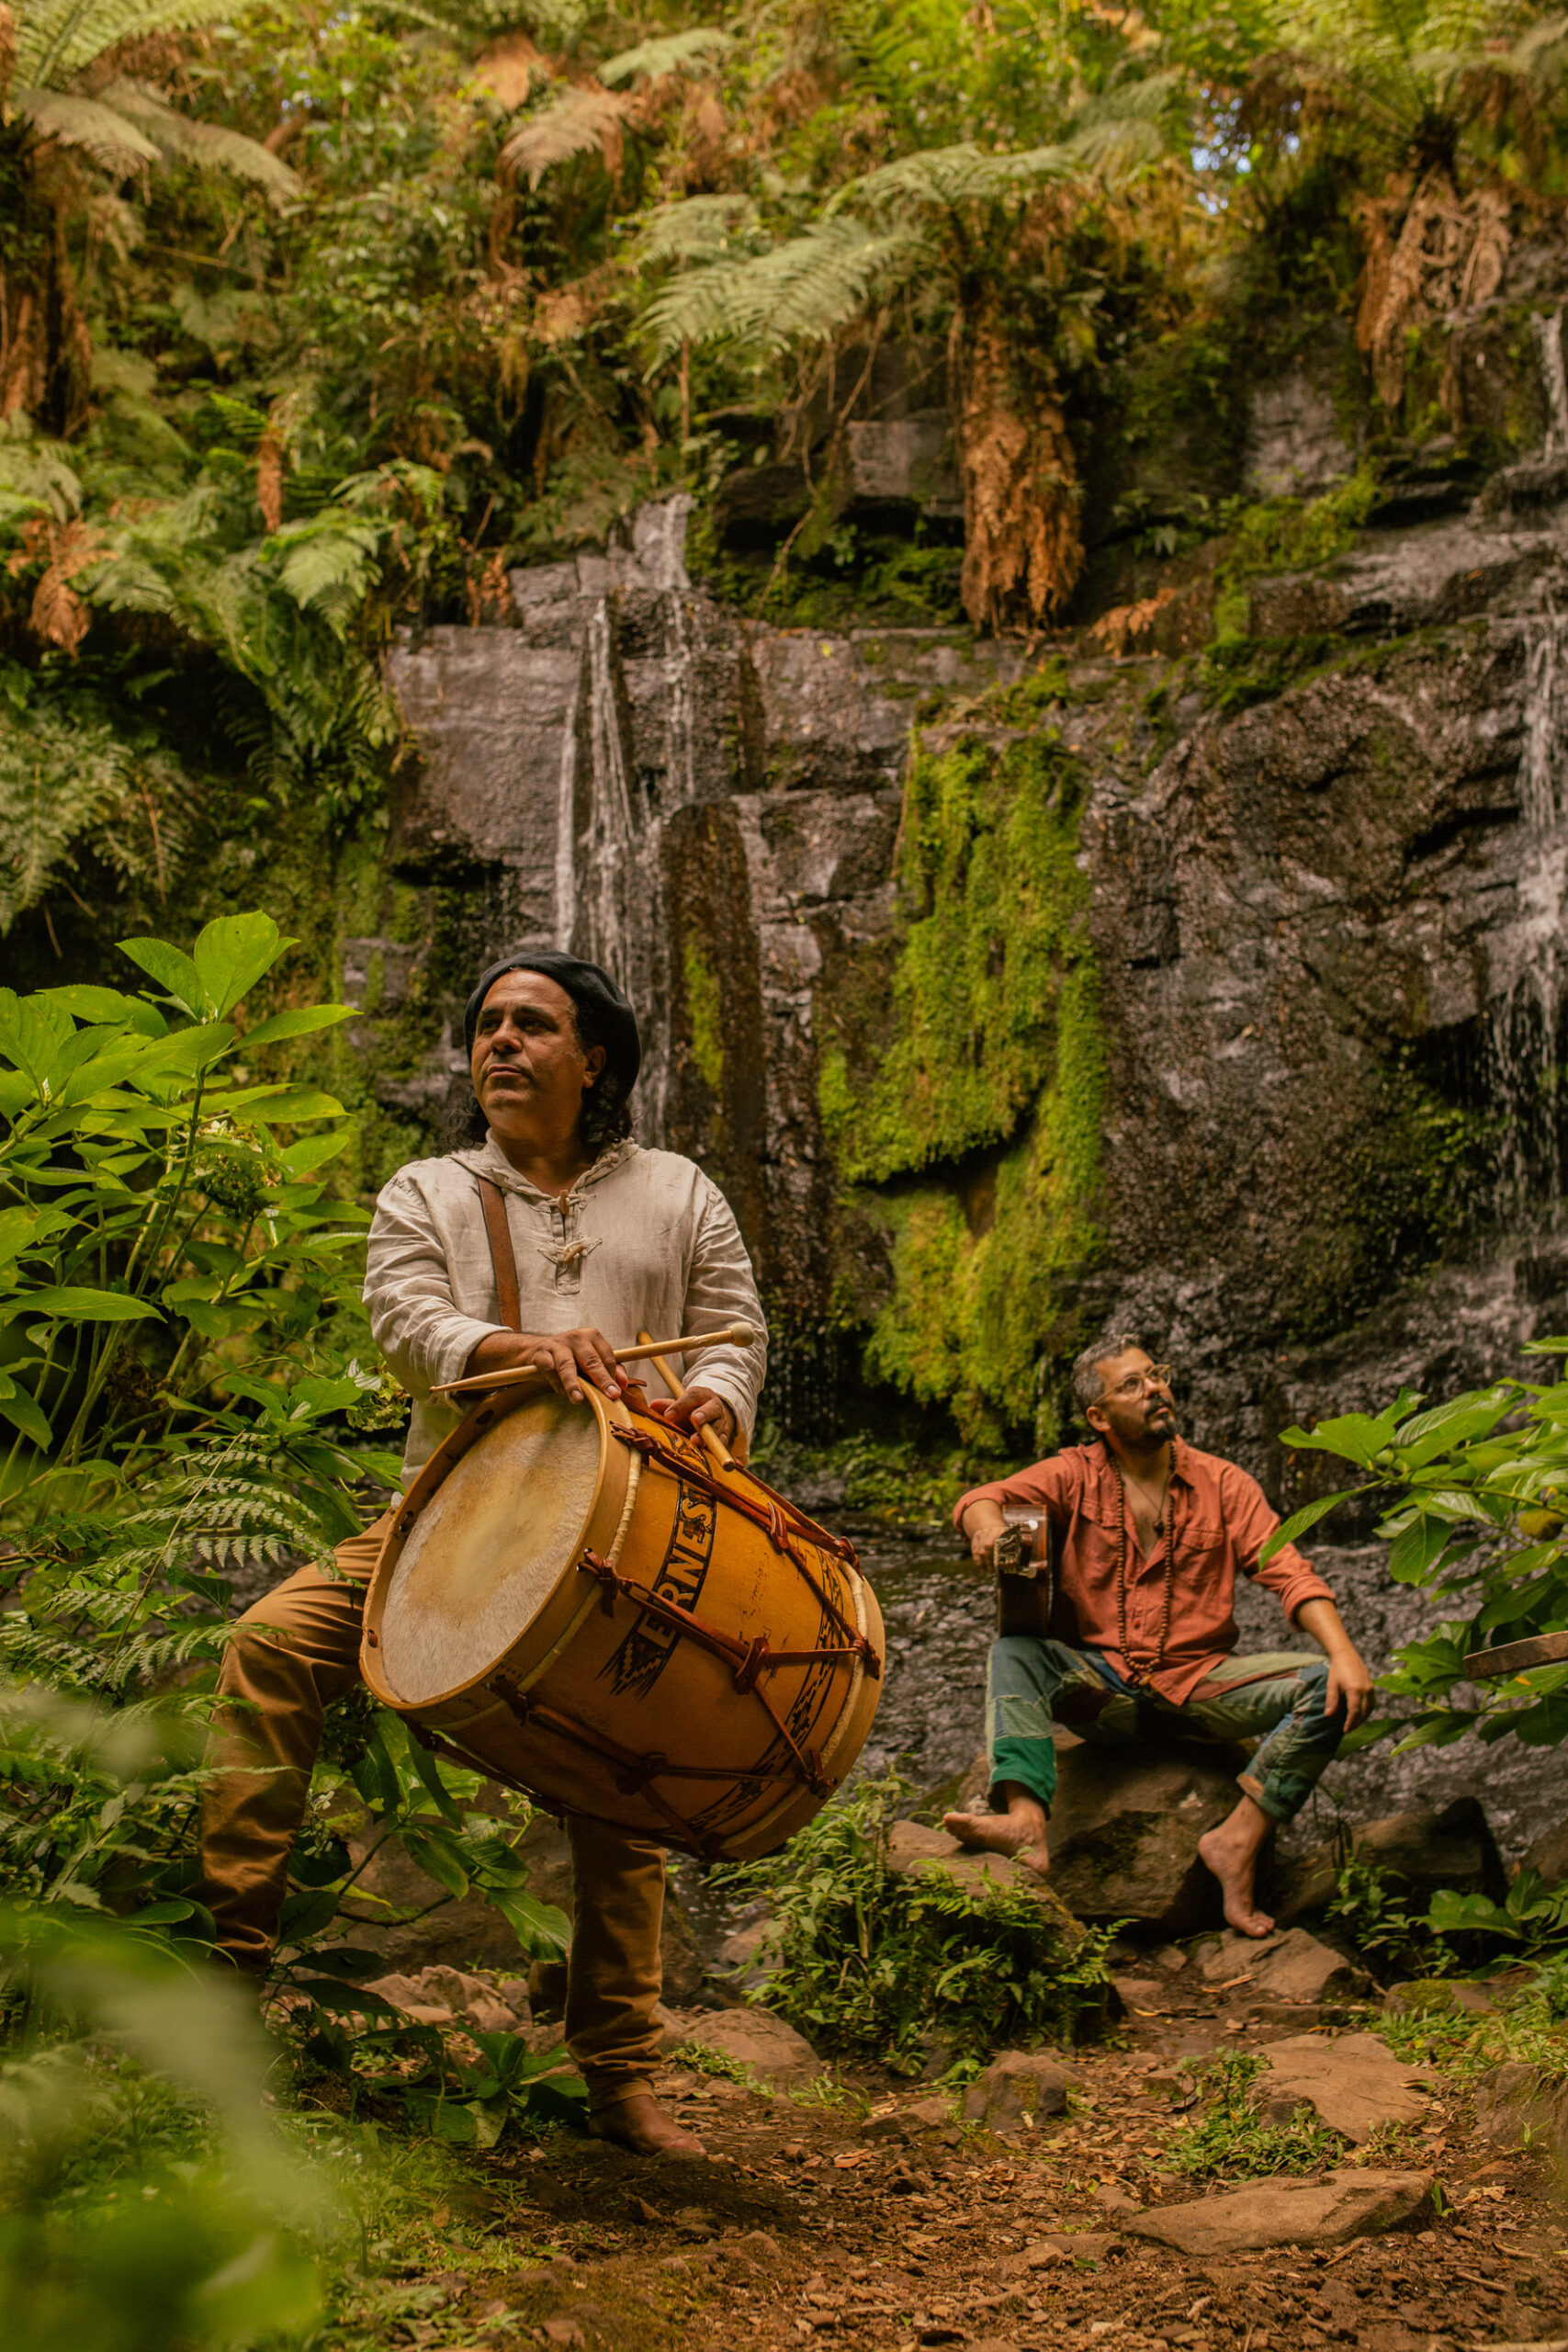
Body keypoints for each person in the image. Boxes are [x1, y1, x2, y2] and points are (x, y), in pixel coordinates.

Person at [197, 949, 767, 2157]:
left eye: (532, 1024)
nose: (500, 1041)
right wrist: (518, 1350)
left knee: (629, 1761)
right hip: (444, 1521)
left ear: (592, 1056)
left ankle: (616, 2074)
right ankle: (219, 1998)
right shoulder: (429, 1191)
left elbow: (735, 1333)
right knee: (270, 1641)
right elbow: (408, 1327)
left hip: (631, 1532)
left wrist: (716, 1401)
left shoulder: (676, 1192)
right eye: (487, 1025)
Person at [942, 1334, 1373, 1937]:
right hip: (1102, 1693)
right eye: (1132, 1385)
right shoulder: (1072, 1474)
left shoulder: (1225, 1484)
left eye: (1155, 1375)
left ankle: (1236, 1843)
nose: (1154, 1389)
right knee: (1015, 1652)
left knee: (1326, 1682)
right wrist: (988, 1530)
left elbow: (1291, 1574)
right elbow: (981, 1499)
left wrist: (1346, 1653)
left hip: (1200, 1691)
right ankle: (1025, 1820)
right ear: (1098, 1417)